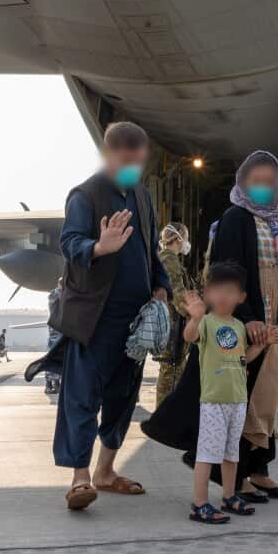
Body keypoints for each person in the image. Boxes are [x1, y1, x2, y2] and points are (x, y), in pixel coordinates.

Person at [46, 121, 170, 510]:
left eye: (139, 160)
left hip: (135, 322)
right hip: (95, 318)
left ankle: (106, 470)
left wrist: (161, 284)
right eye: (126, 160)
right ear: (108, 155)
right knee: (82, 396)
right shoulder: (85, 195)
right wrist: (99, 246)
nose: (134, 167)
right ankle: (80, 478)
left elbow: (150, 248)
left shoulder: (141, 195)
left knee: (122, 397)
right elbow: (70, 242)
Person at [206, 150, 278, 502]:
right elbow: (227, 270)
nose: (264, 189)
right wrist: (247, 314)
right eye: (257, 182)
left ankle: (260, 469)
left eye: (271, 183)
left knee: (268, 398)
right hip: (251, 322)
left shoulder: (275, 224)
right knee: (244, 399)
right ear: (242, 182)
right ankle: (234, 479)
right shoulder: (235, 218)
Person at [181, 262, 275, 524]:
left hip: (238, 400)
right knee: (208, 453)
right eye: (217, 290)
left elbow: (243, 357)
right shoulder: (207, 323)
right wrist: (196, 316)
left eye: (230, 291)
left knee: (231, 453)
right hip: (214, 401)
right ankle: (199, 503)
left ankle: (229, 495)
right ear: (207, 293)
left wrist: (264, 344)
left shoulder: (237, 326)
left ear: (241, 297)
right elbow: (189, 337)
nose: (223, 296)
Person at [156, 222, 196, 406]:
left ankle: (165, 417)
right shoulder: (169, 259)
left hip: (173, 323)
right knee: (171, 372)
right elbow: (177, 293)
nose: (187, 241)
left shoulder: (167, 258)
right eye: (186, 237)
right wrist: (194, 315)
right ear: (178, 238)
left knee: (172, 371)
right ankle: (163, 418)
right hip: (173, 325)